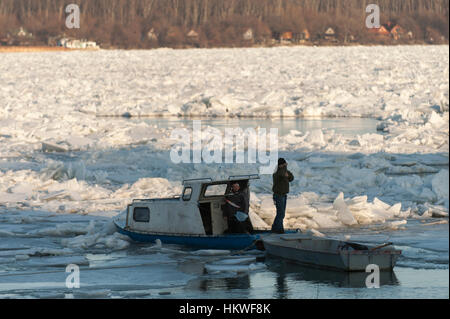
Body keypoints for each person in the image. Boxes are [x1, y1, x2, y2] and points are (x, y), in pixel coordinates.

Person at [272, 158, 294, 234]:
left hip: (283, 195)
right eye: (284, 164)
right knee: (281, 213)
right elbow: (282, 174)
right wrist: (284, 168)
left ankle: (274, 228)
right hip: (278, 195)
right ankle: (279, 230)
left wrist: (287, 173)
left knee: (281, 213)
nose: (285, 165)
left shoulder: (285, 171)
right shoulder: (277, 173)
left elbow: (291, 178)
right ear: (280, 165)